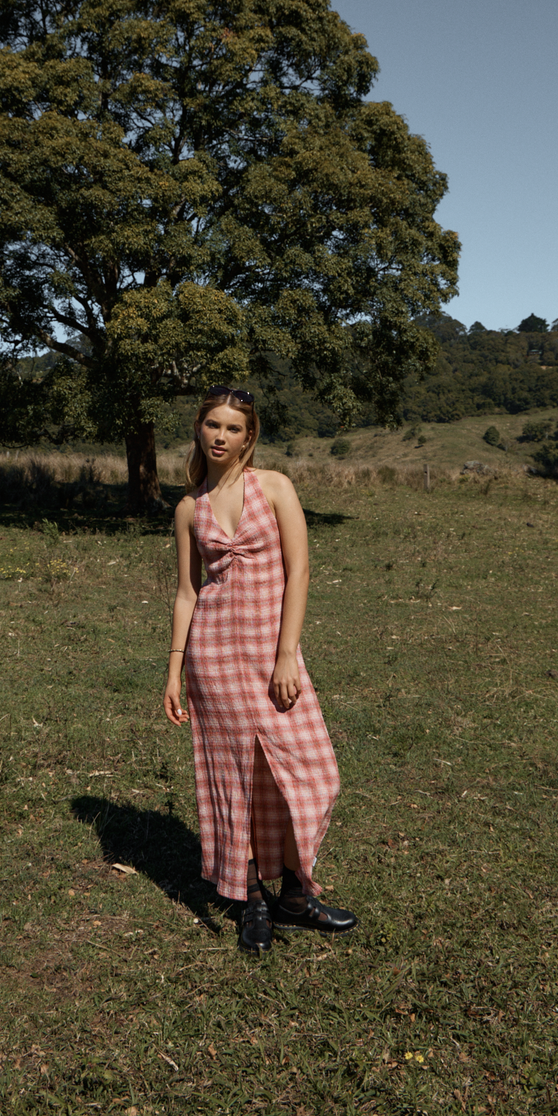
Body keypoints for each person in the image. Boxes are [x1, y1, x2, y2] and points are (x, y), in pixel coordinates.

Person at [163, 386, 357, 955]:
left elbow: (299, 573)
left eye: (232, 428)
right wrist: (174, 671)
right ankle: (252, 901)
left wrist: (285, 654)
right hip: (214, 658)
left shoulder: (273, 488)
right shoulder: (187, 508)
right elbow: (185, 593)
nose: (220, 437)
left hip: (272, 655)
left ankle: (297, 895)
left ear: (250, 436)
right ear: (199, 429)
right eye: (212, 426)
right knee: (234, 780)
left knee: (312, 770)